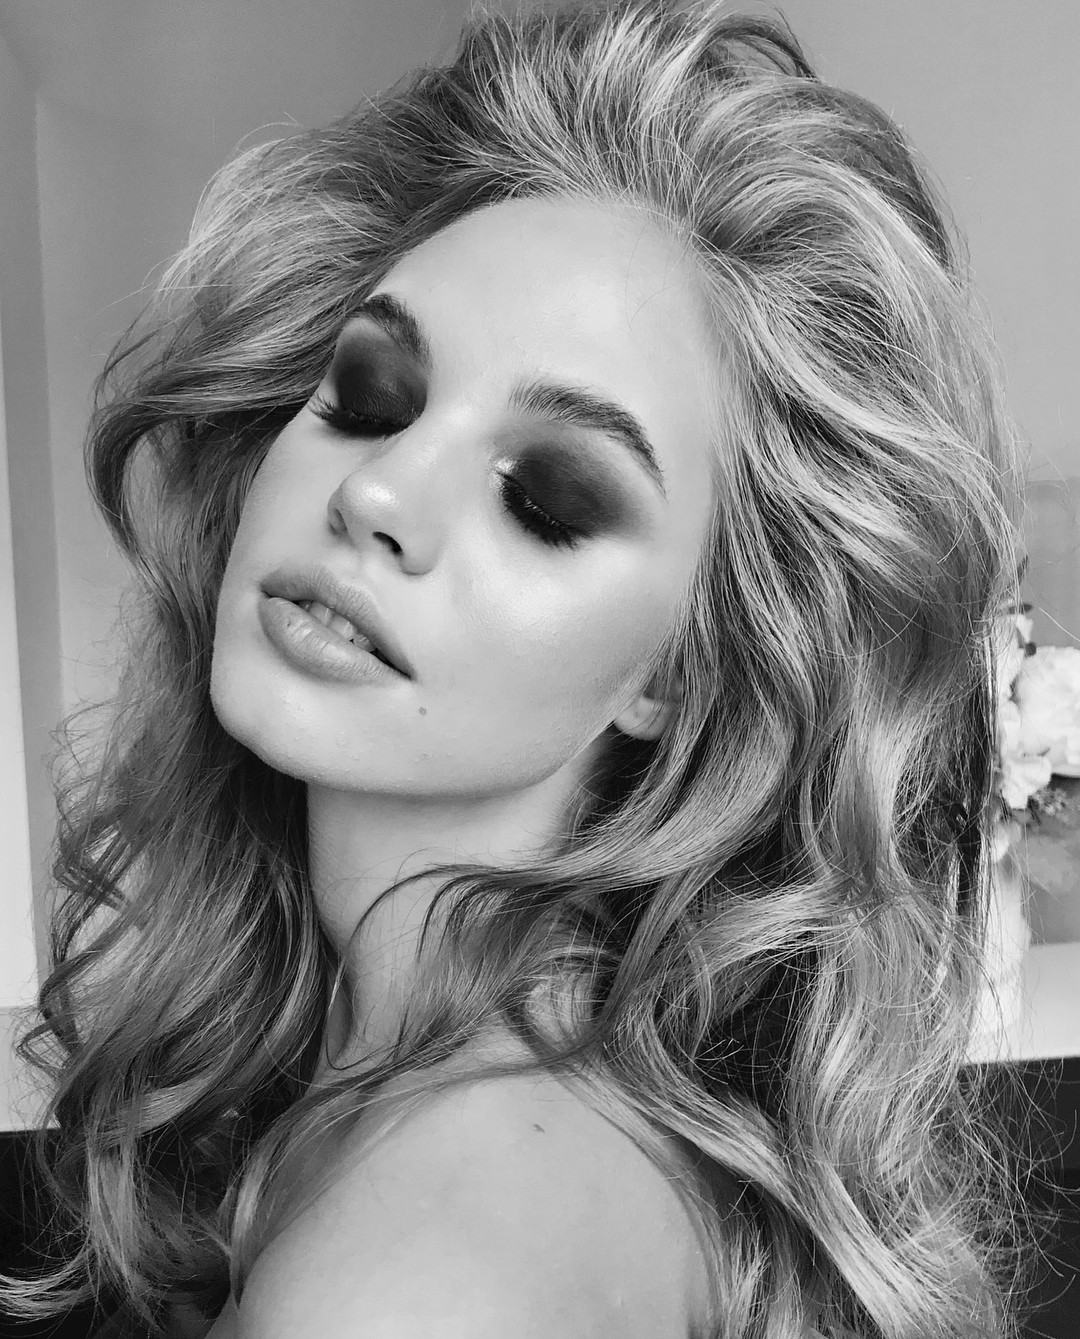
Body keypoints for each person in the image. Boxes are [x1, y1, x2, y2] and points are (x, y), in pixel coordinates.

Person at [0, 1, 1035, 1335]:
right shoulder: (454, 1111)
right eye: (368, 398)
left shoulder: (425, 1272)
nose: (376, 491)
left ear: (676, 676)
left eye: (544, 500)